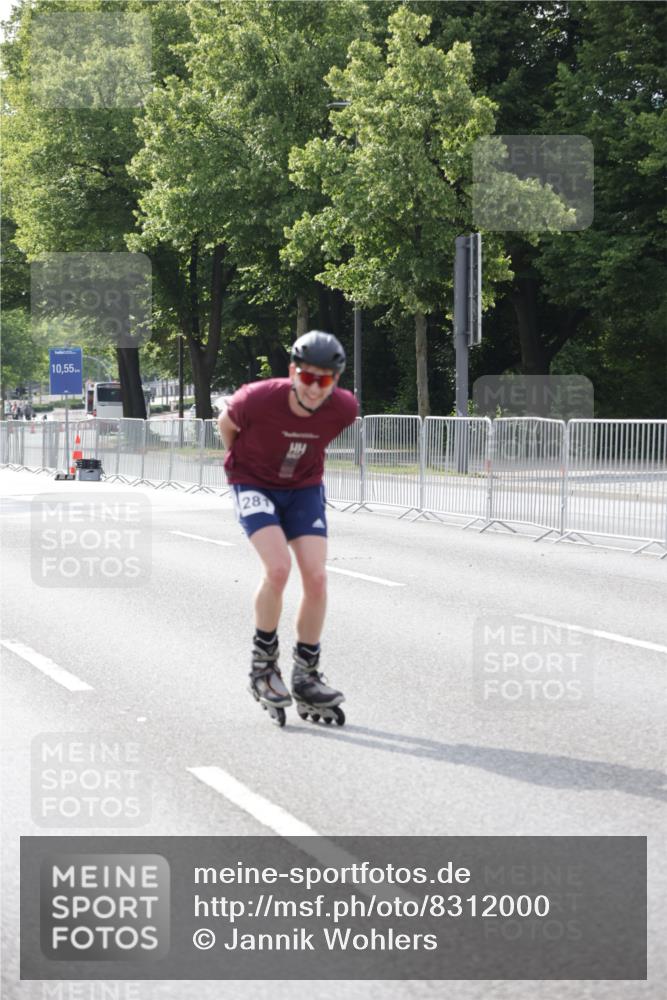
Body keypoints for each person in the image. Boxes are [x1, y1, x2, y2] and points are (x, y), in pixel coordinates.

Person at [218, 330, 359, 725]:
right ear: (293, 372)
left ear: (335, 381)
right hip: (253, 483)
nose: (314, 388)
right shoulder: (257, 398)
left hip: (302, 488)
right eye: (308, 377)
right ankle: (263, 666)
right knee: (278, 568)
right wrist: (242, 463)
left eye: (324, 380)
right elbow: (226, 425)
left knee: (316, 577)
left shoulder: (344, 409)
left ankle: (306, 675)